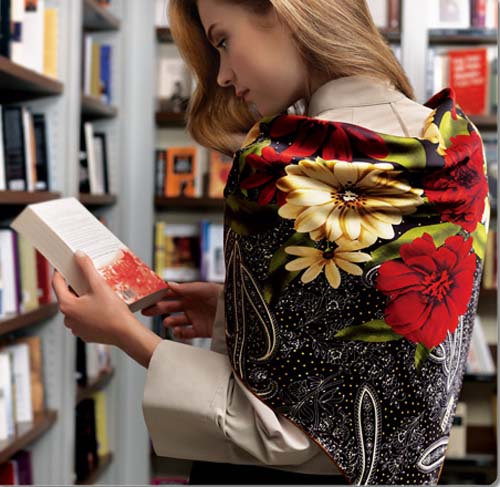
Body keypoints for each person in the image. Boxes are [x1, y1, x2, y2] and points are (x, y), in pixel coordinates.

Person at [52, 0, 490, 485]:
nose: (222, 75)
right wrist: (234, 310)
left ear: (285, 12)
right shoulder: (460, 147)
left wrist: (124, 334)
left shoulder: (277, 166)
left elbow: (280, 432)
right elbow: (384, 339)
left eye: (223, 41)